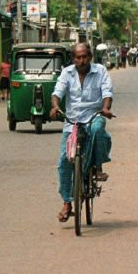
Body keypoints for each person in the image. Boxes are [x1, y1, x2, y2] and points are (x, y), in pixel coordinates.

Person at [48, 41, 114, 224]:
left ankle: (98, 165)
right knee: (63, 161)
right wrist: (55, 107)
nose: (82, 60)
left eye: (85, 56)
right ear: (73, 59)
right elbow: (57, 93)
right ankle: (67, 202)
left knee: (98, 130)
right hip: (73, 121)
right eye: (78, 57)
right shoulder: (67, 73)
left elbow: (107, 92)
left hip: (94, 115)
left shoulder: (100, 71)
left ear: (90, 57)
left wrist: (106, 108)